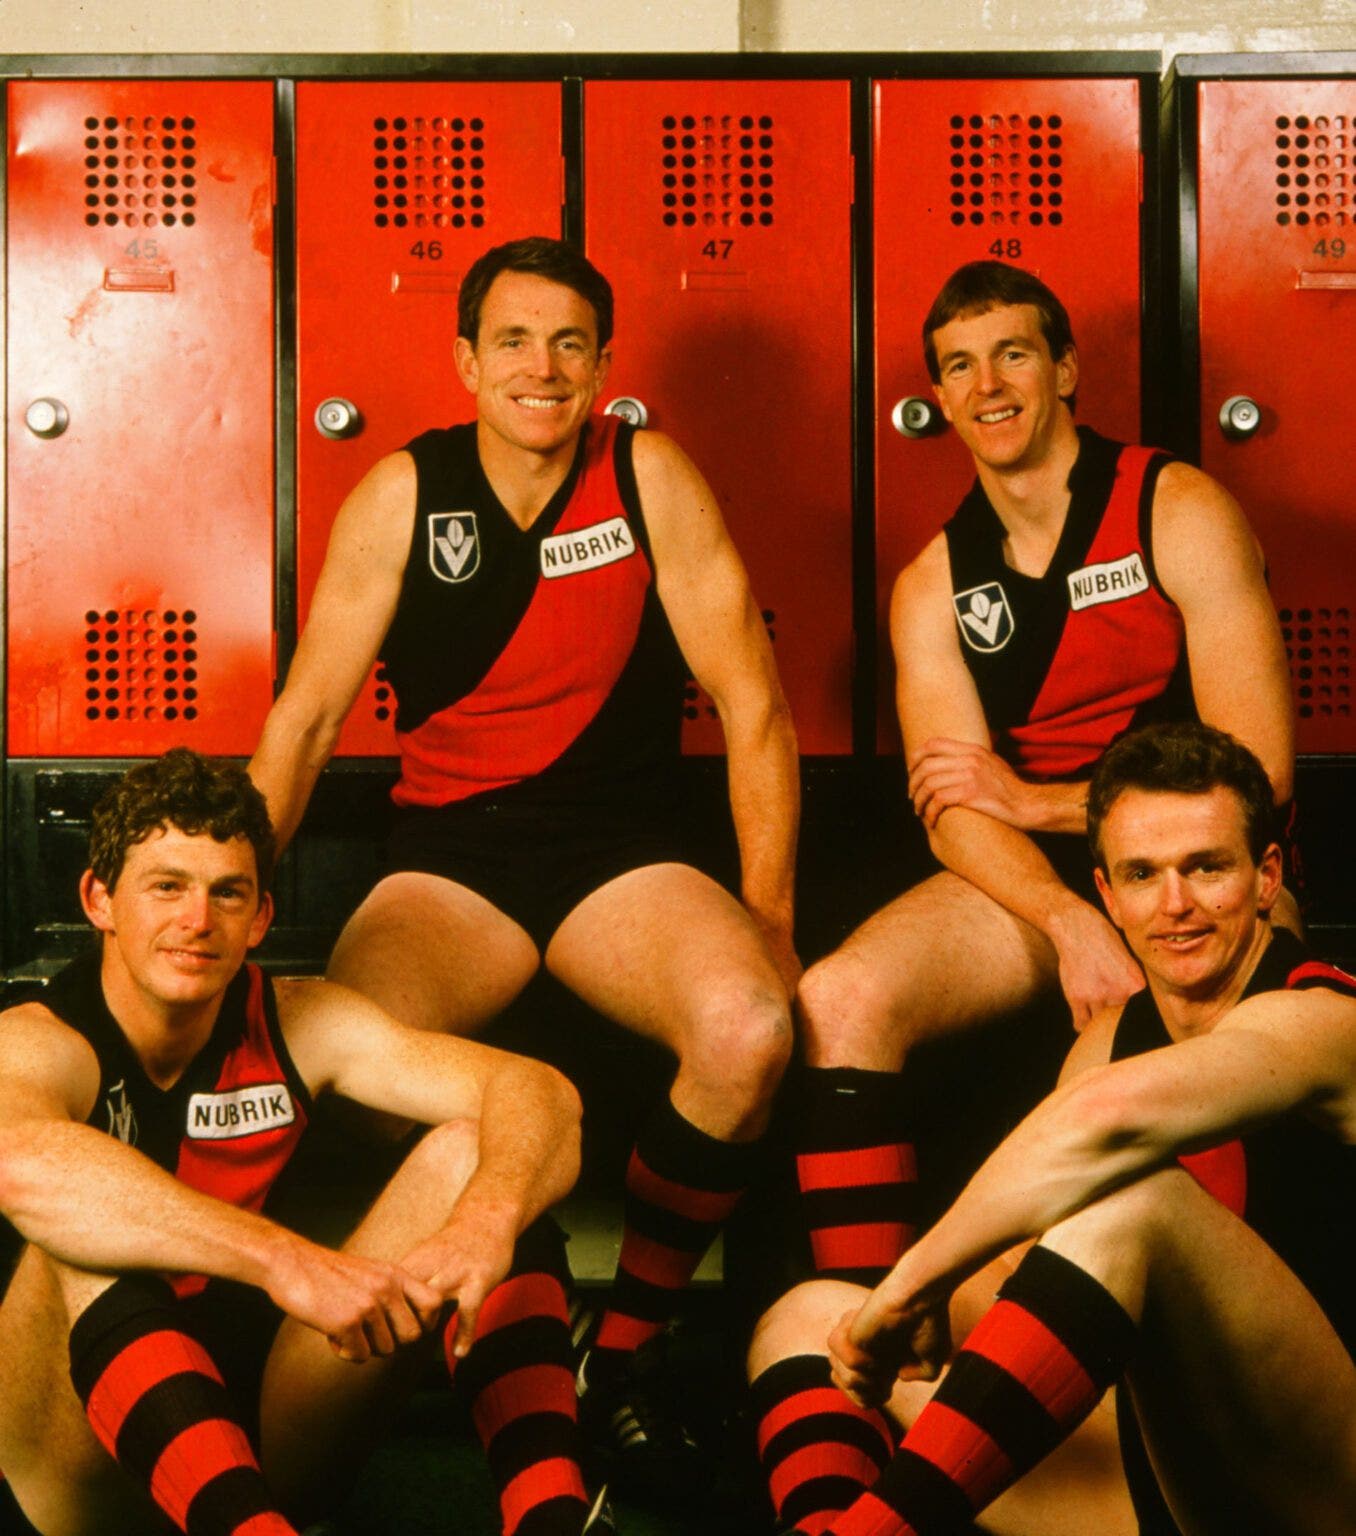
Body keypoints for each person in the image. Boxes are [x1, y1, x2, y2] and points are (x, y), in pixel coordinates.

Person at [247, 236, 799, 1484]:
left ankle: (631, 1345)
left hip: (625, 856)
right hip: (453, 859)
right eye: (512, 340)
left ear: (604, 362)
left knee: (750, 1031)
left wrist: (768, 916)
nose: (541, 368)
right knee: (351, 1057)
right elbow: (306, 720)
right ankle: (516, 1348)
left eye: (569, 343)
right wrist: (224, 896)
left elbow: (753, 704)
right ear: (464, 361)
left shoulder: (650, 474)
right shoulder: (403, 491)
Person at [793, 260, 1296, 1286]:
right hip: (1041, 884)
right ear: (937, 399)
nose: (989, 388)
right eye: (960, 367)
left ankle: (1214, 1343)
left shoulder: (1174, 507)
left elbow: (1257, 774)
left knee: (1173, 1049)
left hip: (1194, 865)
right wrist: (1070, 920)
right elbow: (951, 813)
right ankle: (859, 1328)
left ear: (1064, 370)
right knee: (840, 998)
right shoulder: (932, 583)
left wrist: (1040, 803)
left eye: (1013, 354)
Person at [749, 721, 1356, 1536]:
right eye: (1142, 875)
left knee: (1132, 1198)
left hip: (1323, 1475)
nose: (1174, 904)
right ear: (1106, 894)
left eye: (1206, 868)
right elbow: (1017, 1265)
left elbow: (1104, 1127)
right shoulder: (1108, 1040)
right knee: (807, 1316)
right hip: (1171, 1473)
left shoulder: (1322, 1018)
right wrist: (926, 1313)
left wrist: (906, 1289)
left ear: (1264, 875)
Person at [0, 748, 598, 1536]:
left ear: (261, 918)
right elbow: (24, 1166)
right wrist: (289, 1260)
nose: (198, 920)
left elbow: (541, 1094)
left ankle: (552, 1517)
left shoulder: (303, 1020)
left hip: (259, 1444)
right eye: (167, 887)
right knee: (81, 1239)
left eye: (228, 893)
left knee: (474, 1154)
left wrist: (485, 1218)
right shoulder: (37, 1041)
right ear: (100, 900)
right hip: (73, 1476)